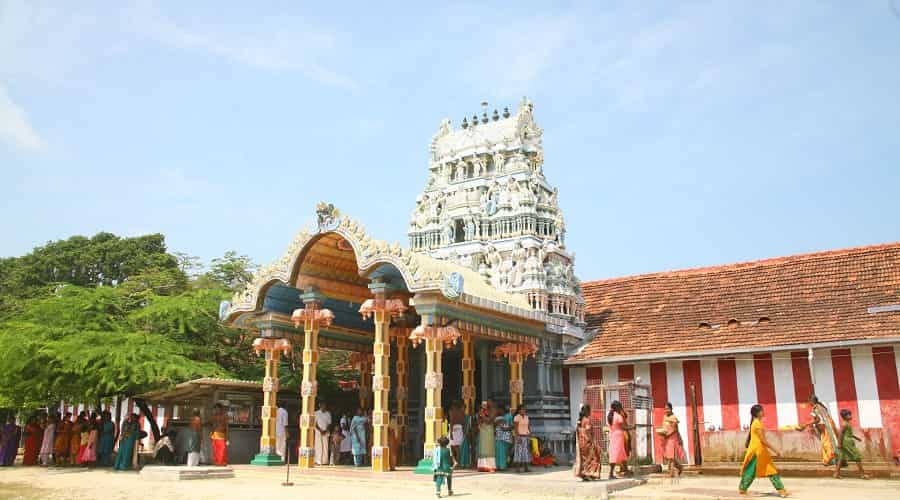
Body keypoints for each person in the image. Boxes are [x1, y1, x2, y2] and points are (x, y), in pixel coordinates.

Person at [739, 404, 788, 497]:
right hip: (757, 451)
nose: (763, 412)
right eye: (761, 410)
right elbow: (763, 440)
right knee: (752, 471)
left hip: (760, 450)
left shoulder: (757, 422)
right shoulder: (757, 423)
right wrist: (775, 450)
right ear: (757, 413)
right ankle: (743, 489)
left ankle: (781, 490)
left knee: (770, 470)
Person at [837, 409, 870, 479]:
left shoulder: (847, 423)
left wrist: (856, 438)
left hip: (847, 441)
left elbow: (848, 433)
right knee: (857, 456)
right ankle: (862, 474)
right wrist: (839, 443)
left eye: (850, 414)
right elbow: (840, 434)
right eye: (848, 415)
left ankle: (836, 474)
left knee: (841, 457)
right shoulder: (844, 424)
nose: (850, 416)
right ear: (844, 416)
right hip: (847, 443)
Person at [574, 404, 601, 481]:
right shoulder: (587, 420)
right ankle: (590, 473)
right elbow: (588, 432)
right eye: (590, 410)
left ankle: (584, 474)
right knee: (594, 457)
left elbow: (579, 431)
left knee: (585, 459)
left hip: (581, 442)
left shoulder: (580, 420)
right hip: (587, 442)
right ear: (587, 411)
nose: (590, 412)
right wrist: (593, 442)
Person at [660, 402, 685, 477]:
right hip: (666, 438)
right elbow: (664, 427)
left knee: (671, 456)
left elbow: (674, 429)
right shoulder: (665, 417)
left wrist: (666, 435)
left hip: (672, 438)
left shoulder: (673, 418)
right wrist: (662, 432)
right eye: (665, 409)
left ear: (671, 409)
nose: (666, 410)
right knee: (668, 456)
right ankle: (680, 467)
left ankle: (671, 473)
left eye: (668, 408)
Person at [607, 401, 630, 479]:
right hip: (619, 436)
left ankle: (626, 470)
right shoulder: (618, 416)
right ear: (617, 407)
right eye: (620, 406)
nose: (621, 408)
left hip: (613, 435)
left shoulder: (610, 416)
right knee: (617, 454)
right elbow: (623, 427)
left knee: (621, 453)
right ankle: (610, 474)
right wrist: (632, 428)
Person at [476, 401, 496, 472]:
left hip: (489, 430)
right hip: (483, 430)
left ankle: (490, 466)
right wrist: (480, 417)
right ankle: (482, 466)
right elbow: (478, 421)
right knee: (483, 448)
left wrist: (483, 415)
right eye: (483, 405)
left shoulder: (493, 411)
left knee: (489, 448)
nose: (485, 405)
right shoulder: (481, 411)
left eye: (486, 404)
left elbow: (489, 421)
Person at [512, 405, 531, 473]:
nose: (523, 411)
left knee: (525, 452)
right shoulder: (517, 417)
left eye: (524, 409)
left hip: (525, 436)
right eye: (522, 409)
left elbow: (528, 427)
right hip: (519, 436)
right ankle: (517, 468)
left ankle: (526, 468)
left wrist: (529, 434)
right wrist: (518, 436)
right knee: (518, 452)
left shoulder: (526, 417)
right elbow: (515, 428)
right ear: (519, 410)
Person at [494, 405, 513, 471]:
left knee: (504, 452)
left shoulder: (509, 416)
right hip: (498, 437)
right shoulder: (497, 417)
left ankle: (503, 466)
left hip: (505, 437)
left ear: (503, 409)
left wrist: (506, 429)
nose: (498, 411)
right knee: (497, 452)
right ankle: (497, 466)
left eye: (499, 409)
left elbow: (512, 426)